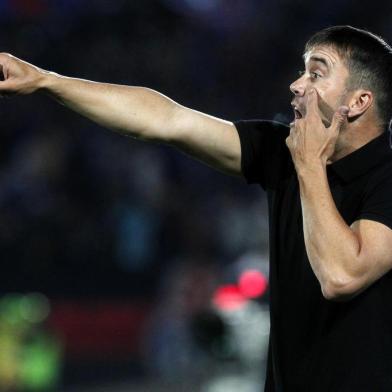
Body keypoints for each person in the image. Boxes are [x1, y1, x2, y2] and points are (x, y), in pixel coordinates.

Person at [1, 25, 392, 391]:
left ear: (359, 101)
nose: (296, 85)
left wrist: (308, 166)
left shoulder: (381, 177)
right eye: (301, 71)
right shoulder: (284, 152)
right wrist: (44, 80)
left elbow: (341, 276)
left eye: (316, 74)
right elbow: (167, 119)